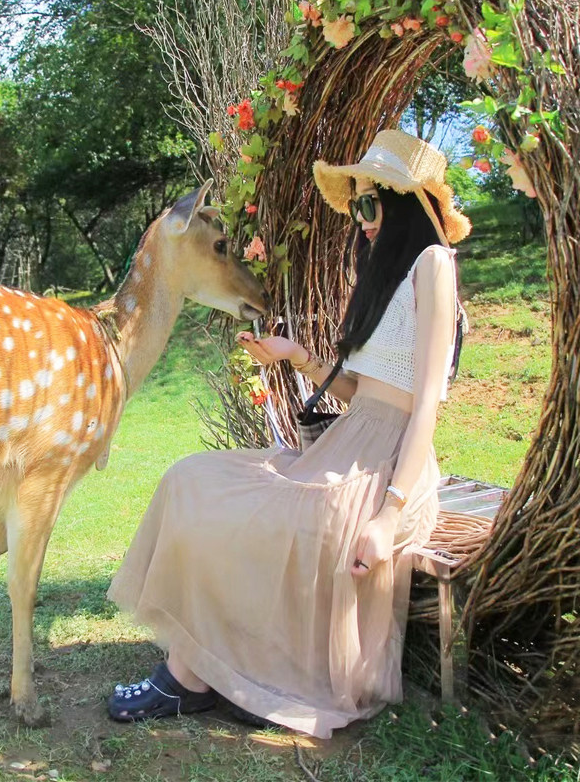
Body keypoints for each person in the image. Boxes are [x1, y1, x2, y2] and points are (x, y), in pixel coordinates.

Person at [105, 130, 471, 738]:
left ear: (403, 204)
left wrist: (390, 514)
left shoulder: (433, 264)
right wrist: (295, 355)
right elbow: (361, 391)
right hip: (345, 443)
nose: (363, 222)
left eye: (370, 206)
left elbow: (426, 400)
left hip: (389, 466)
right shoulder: (385, 278)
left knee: (269, 518)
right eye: (356, 208)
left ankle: (188, 677)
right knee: (192, 478)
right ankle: (202, 669)